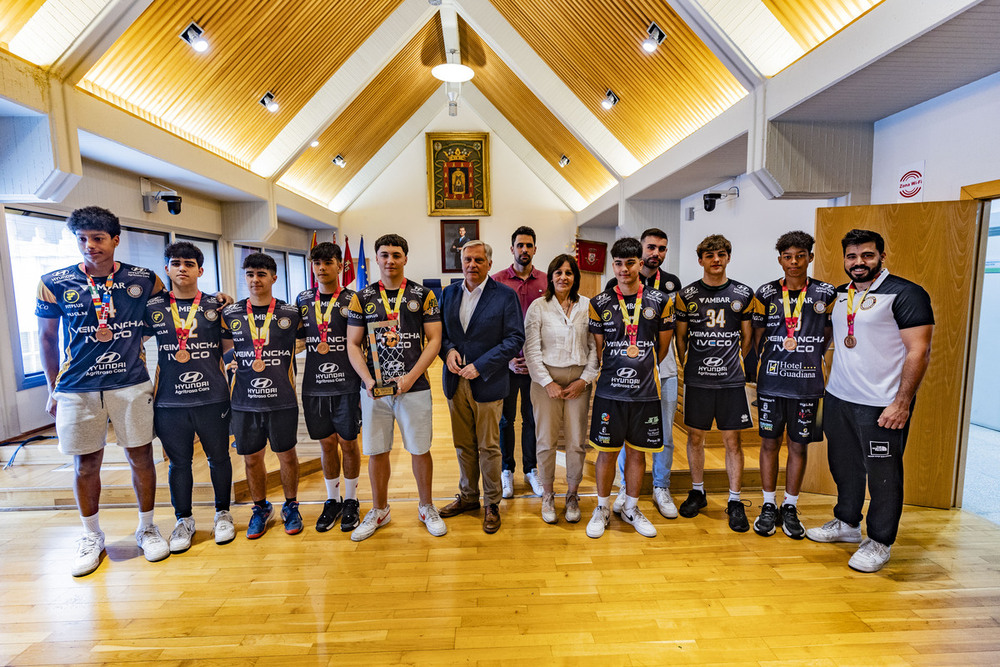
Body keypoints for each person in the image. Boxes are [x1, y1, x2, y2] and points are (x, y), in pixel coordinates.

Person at [36, 206, 170, 576]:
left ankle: (147, 527)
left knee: (141, 456)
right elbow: (46, 340)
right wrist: (51, 389)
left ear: (115, 239)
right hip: (77, 388)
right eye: (82, 239)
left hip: (130, 382)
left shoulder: (144, 279)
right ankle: (91, 535)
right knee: (86, 463)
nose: (89, 246)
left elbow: (172, 316)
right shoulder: (54, 281)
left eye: (97, 238)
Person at [806, 229, 933, 573]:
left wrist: (902, 402)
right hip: (839, 397)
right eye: (852, 256)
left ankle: (879, 541)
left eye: (867, 255)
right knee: (844, 467)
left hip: (881, 404)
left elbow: (918, 351)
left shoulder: (906, 294)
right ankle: (846, 523)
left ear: (881, 256)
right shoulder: (839, 293)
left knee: (883, 475)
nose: (859, 262)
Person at [346, 234, 446, 541]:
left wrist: (411, 377)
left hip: (413, 387)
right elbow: (352, 343)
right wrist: (366, 379)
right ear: (376, 259)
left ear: (405, 258)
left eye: (396, 255)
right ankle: (380, 509)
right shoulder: (361, 297)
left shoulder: (424, 295)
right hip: (375, 389)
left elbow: (434, 341)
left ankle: (426, 506)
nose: (390, 260)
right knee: (377, 450)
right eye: (384, 255)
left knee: (420, 449)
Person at [144, 242, 234, 552]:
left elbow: (229, 347)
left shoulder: (216, 306)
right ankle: (184, 520)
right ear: (166, 269)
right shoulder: (151, 306)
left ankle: (223, 514)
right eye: (176, 263)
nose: (182, 268)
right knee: (178, 464)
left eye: (189, 263)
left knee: (219, 457)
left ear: (200, 270)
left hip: (213, 398)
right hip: (169, 401)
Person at [586, 237, 674, 539]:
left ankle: (632, 507)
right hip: (610, 392)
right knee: (606, 454)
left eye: (631, 263)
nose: (625, 269)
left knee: (638, 455)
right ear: (614, 265)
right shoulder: (599, 303)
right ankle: (602, 508)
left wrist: (641, 367)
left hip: (646, 393)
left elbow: (661, 349)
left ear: (640, 263)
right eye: (619, 264)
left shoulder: (660, 301)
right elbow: (600, 351)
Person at [750, 231, 836, 539]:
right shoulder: (765, 293)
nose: (794, 262)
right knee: (769, 444)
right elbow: (758, 338)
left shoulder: (826, 294)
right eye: (788, 256)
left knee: (798, 446)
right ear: (780, 260)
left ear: (810, 258)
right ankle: (768, 504)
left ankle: (790, 505)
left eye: (800, 255)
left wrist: (806, 354)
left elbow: (827, 334)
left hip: (807, 385)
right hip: (772, 384)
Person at [439, 240, 525, 534]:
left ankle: (491, 503)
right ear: (460, 262)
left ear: (489, 263)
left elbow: (515, 339)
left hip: (487, 382)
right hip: (455, 382)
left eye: (478, 260)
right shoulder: (448, 293)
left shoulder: (505, 296)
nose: (472, 265)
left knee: (488, 446)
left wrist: (482, 364)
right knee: (463, 445)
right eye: (467, 260)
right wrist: (448, 351)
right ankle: (468, 496)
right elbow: (442, 335)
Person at [674, 234, 755, 532]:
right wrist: (688, 366)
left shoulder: (743, 293)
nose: (716, 260)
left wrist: (734, 363)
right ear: (701, 260)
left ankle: (734, 500)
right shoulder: (687, 294)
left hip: (731, 381)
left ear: (728, 257)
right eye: (709, 255)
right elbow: (680, 337)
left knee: (732, 441)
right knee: (695, 438)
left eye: (721, 254)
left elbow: (747, 338)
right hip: (698, 380)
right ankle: (698, 492)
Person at [221, 253, 304, 539]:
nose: (255, 280)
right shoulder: (230, 313)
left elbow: (307, 341)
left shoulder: (291, 313)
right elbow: (218, 346)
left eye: (261, 274)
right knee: (252, 459)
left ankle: (291, 505)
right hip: (244, 400)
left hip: (282, 398)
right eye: (250, 274)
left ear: (273, 278)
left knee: (286, 455)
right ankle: (260, 508)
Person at [605, 227, 683, 520]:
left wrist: (652, 362)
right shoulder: (616, 283)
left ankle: (661, 486)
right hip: (628, 372)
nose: (656, 254)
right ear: (639, 252)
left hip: (663, 370)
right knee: (628, 434)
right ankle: (627, 486)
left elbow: (670, 335)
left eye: (662, 249)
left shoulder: (672, 284)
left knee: (664, 432)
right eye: (651, 248)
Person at [523, 254, 598, 523]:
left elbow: (594, 348)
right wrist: (547, 383)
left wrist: (585, 379)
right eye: (558, 272)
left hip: (579, 380)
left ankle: (573, 494)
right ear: (550, 276)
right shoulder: (538, 307)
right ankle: (547, 494)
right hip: (546, 381)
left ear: (575, 277)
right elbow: (531, 350)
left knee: (577, 441)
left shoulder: (588, 306)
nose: (563, 277)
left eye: (568, 272)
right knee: (546, 441)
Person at [296, 242, 362, 533]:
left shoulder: (354, 299)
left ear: (339, 266)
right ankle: (332, 499)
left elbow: (364, 342)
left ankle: (351, 499)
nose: (322, 269)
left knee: (348, 443)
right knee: (326, 444)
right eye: (317, 264)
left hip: (347, 384)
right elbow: (292, 337)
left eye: (328, 263)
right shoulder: (301, 300)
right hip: (314, 386)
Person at [492, 225, 547, 498]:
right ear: (511, 248)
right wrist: (508, 358)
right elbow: (489, 325)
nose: (524, 249)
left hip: (536, 366)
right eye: (519, 245)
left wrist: (535, 359)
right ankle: (506, 470)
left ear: (535, 249)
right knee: (505, 420)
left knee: (531, 419)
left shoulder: (547, 282)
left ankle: (531, 469)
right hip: (506, 365)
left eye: (529, 245)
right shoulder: (497, 281)